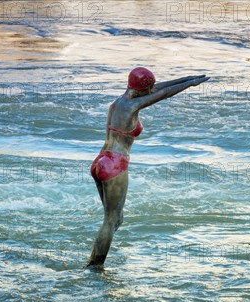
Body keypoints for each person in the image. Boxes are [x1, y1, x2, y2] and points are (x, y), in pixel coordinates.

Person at [86, 67, 209, 270]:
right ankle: (95, 268)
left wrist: (188, 77)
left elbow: (158, 89)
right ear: (143, 89)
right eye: (149, 87)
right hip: (115, 164)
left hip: (100, 161)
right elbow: (162, 94)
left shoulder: (119, 102)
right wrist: (190, 84)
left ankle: (92, 261)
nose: (151, 90)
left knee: (114, 220)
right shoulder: (132, 106)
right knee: (111, 220)